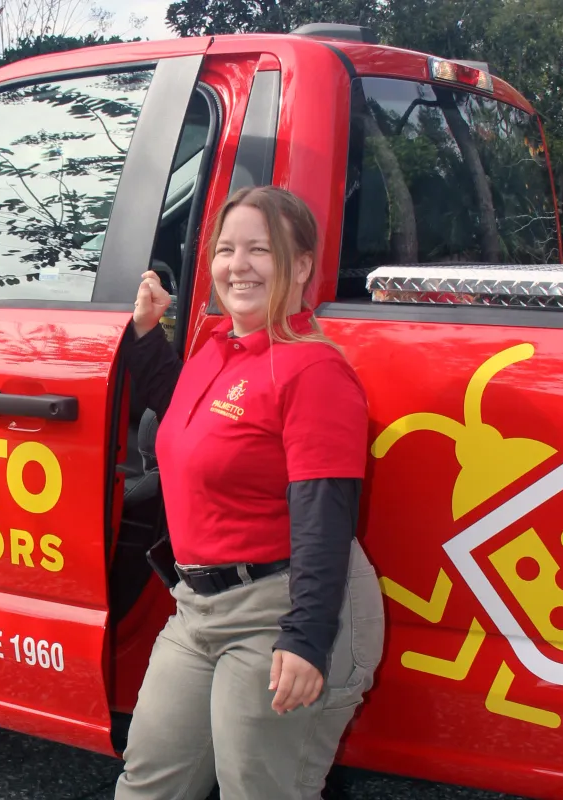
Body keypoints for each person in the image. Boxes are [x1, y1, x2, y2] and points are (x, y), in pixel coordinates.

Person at [113, 186, 385, 800]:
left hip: (282, 608)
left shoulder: (313, 371)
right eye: (228, 248)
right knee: (148, 783)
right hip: (199, 608)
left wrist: (307, 638)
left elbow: (325, 516)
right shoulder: (220, 349)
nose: (240, 265)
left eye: (261, 250)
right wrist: (143, 335)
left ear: (303, 265)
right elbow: (186, 416)